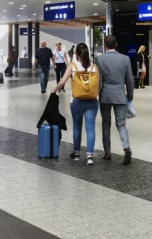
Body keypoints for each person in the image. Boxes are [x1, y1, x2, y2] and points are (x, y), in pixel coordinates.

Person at [53, 43, 98, 164]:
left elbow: (62, 82)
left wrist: (54, 90)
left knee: (77, 127)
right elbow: (99, 84)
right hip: (92, 102)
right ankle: (89, 156)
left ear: (76, 54)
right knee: (91, 129)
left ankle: (77, 154)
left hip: (77, 101)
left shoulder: (72, 66)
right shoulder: (94, 66)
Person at [96, 35, 134, 165]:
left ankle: (107, 152)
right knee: (121, 124)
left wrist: (97, 95)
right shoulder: (125, 59)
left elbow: (98, 81)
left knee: (106, 124)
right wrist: (130, 95)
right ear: (116, 44)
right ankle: (126, 147)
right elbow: (129, 79)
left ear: (105, 46)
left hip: (105, 95)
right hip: (119, 95)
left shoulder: (99, 59)